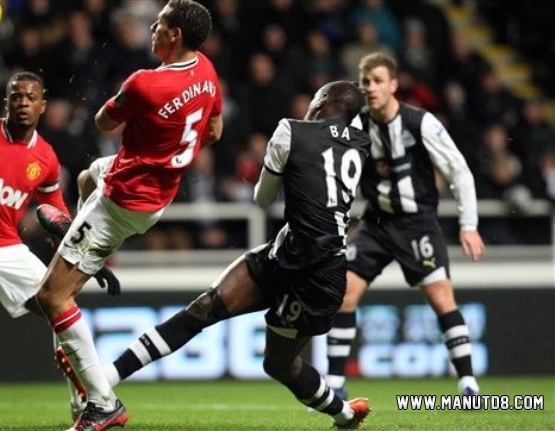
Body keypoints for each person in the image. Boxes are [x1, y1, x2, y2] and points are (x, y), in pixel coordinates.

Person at [58, 80, 373, 429]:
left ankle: (345, 414)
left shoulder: (291, 130)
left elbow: (262, 199)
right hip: (295, 254)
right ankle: (103, 380)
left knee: (279, 365)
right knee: (203, 308)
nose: (309, 106)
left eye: (314, 99)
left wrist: (284, 165)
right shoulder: (360, 142)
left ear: (323, 101)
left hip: (312, 274)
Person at [33, 1, 223, 430]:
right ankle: (79, 239)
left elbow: (103, 122)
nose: (152, 26)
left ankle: (104, 404)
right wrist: (171, 156)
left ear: (174, 34)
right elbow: (214, 131)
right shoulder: (207, 71)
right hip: (156, 195)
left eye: (160, 22)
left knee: (52, 297)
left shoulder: (145, 83)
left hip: (123, 199)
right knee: (88, 176)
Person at [323, 52, 485, 400]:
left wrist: (468, 224)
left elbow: (458, 170)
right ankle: (335, 385)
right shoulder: (357, 125)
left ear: (394, 85)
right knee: (343, 293)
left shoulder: (421, 123)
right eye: (366, 82)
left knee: (441, 298)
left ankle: (468, 383)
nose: (371, 88)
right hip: (376, 223)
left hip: (417, 224)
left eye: (378, 81)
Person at [0, 71, 86, 412]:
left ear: (42, 106)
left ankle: (86, 399)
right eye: (16, 96)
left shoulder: (46, 157)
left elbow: (55, 210)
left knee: (61, 305)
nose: (23, 103)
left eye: (30, 97)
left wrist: (77, 246)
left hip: (7, 246)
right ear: (7, 102)